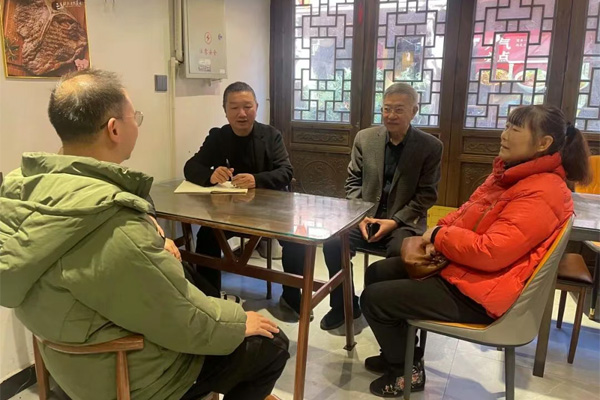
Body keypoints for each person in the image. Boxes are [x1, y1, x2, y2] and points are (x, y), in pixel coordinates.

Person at [0, 70, 288, 400]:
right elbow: (181, 318)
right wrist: (237, 322)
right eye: (134, 116)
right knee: (273, 345)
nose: (242, 113)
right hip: (128, 370)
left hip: (68, 357)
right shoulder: (116, 223)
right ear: (114, 129)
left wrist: (153, 237)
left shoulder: (23, 189)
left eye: (247, 106)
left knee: (187, 270)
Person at [360, 105, 591, 397]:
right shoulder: (509, 175)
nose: (504, 135)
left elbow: (491, 252)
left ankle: (406, 373)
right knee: (378, 272)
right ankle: (401, 355)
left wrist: (439, 236)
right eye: (506, 126)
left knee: (375, 299)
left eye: (515, 129)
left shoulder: (543, 190)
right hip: (467, 272)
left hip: (482, 295)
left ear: (543, 143)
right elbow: (464, 213)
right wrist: (435, 234)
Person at [280, 83, 443, 330]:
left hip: (403, 222)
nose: (391, 115)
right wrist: (361, 216)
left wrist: (395, 221)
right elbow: (353, 182)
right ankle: (344, 306)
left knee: (399, 253)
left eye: (399, 110)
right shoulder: (365, 138)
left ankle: (389, 316)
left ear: (414, 111)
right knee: (333, 243)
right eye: (386, 109)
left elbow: (426, 195)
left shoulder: (430, 146)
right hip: (364, 217)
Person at [184, 81, 293, 295]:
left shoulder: (271, 136)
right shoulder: (218, 136)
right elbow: (191, 167)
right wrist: (210, 175)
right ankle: (210, 298)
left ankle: (292, 298)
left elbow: (286, 172)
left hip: (269, 212)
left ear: (256, 107)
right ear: (225, 111)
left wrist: (256, 180)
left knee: (296, 242)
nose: (241, 114)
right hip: (230, 214)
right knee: (206, 235)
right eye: (234, 108)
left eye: (247, 107)